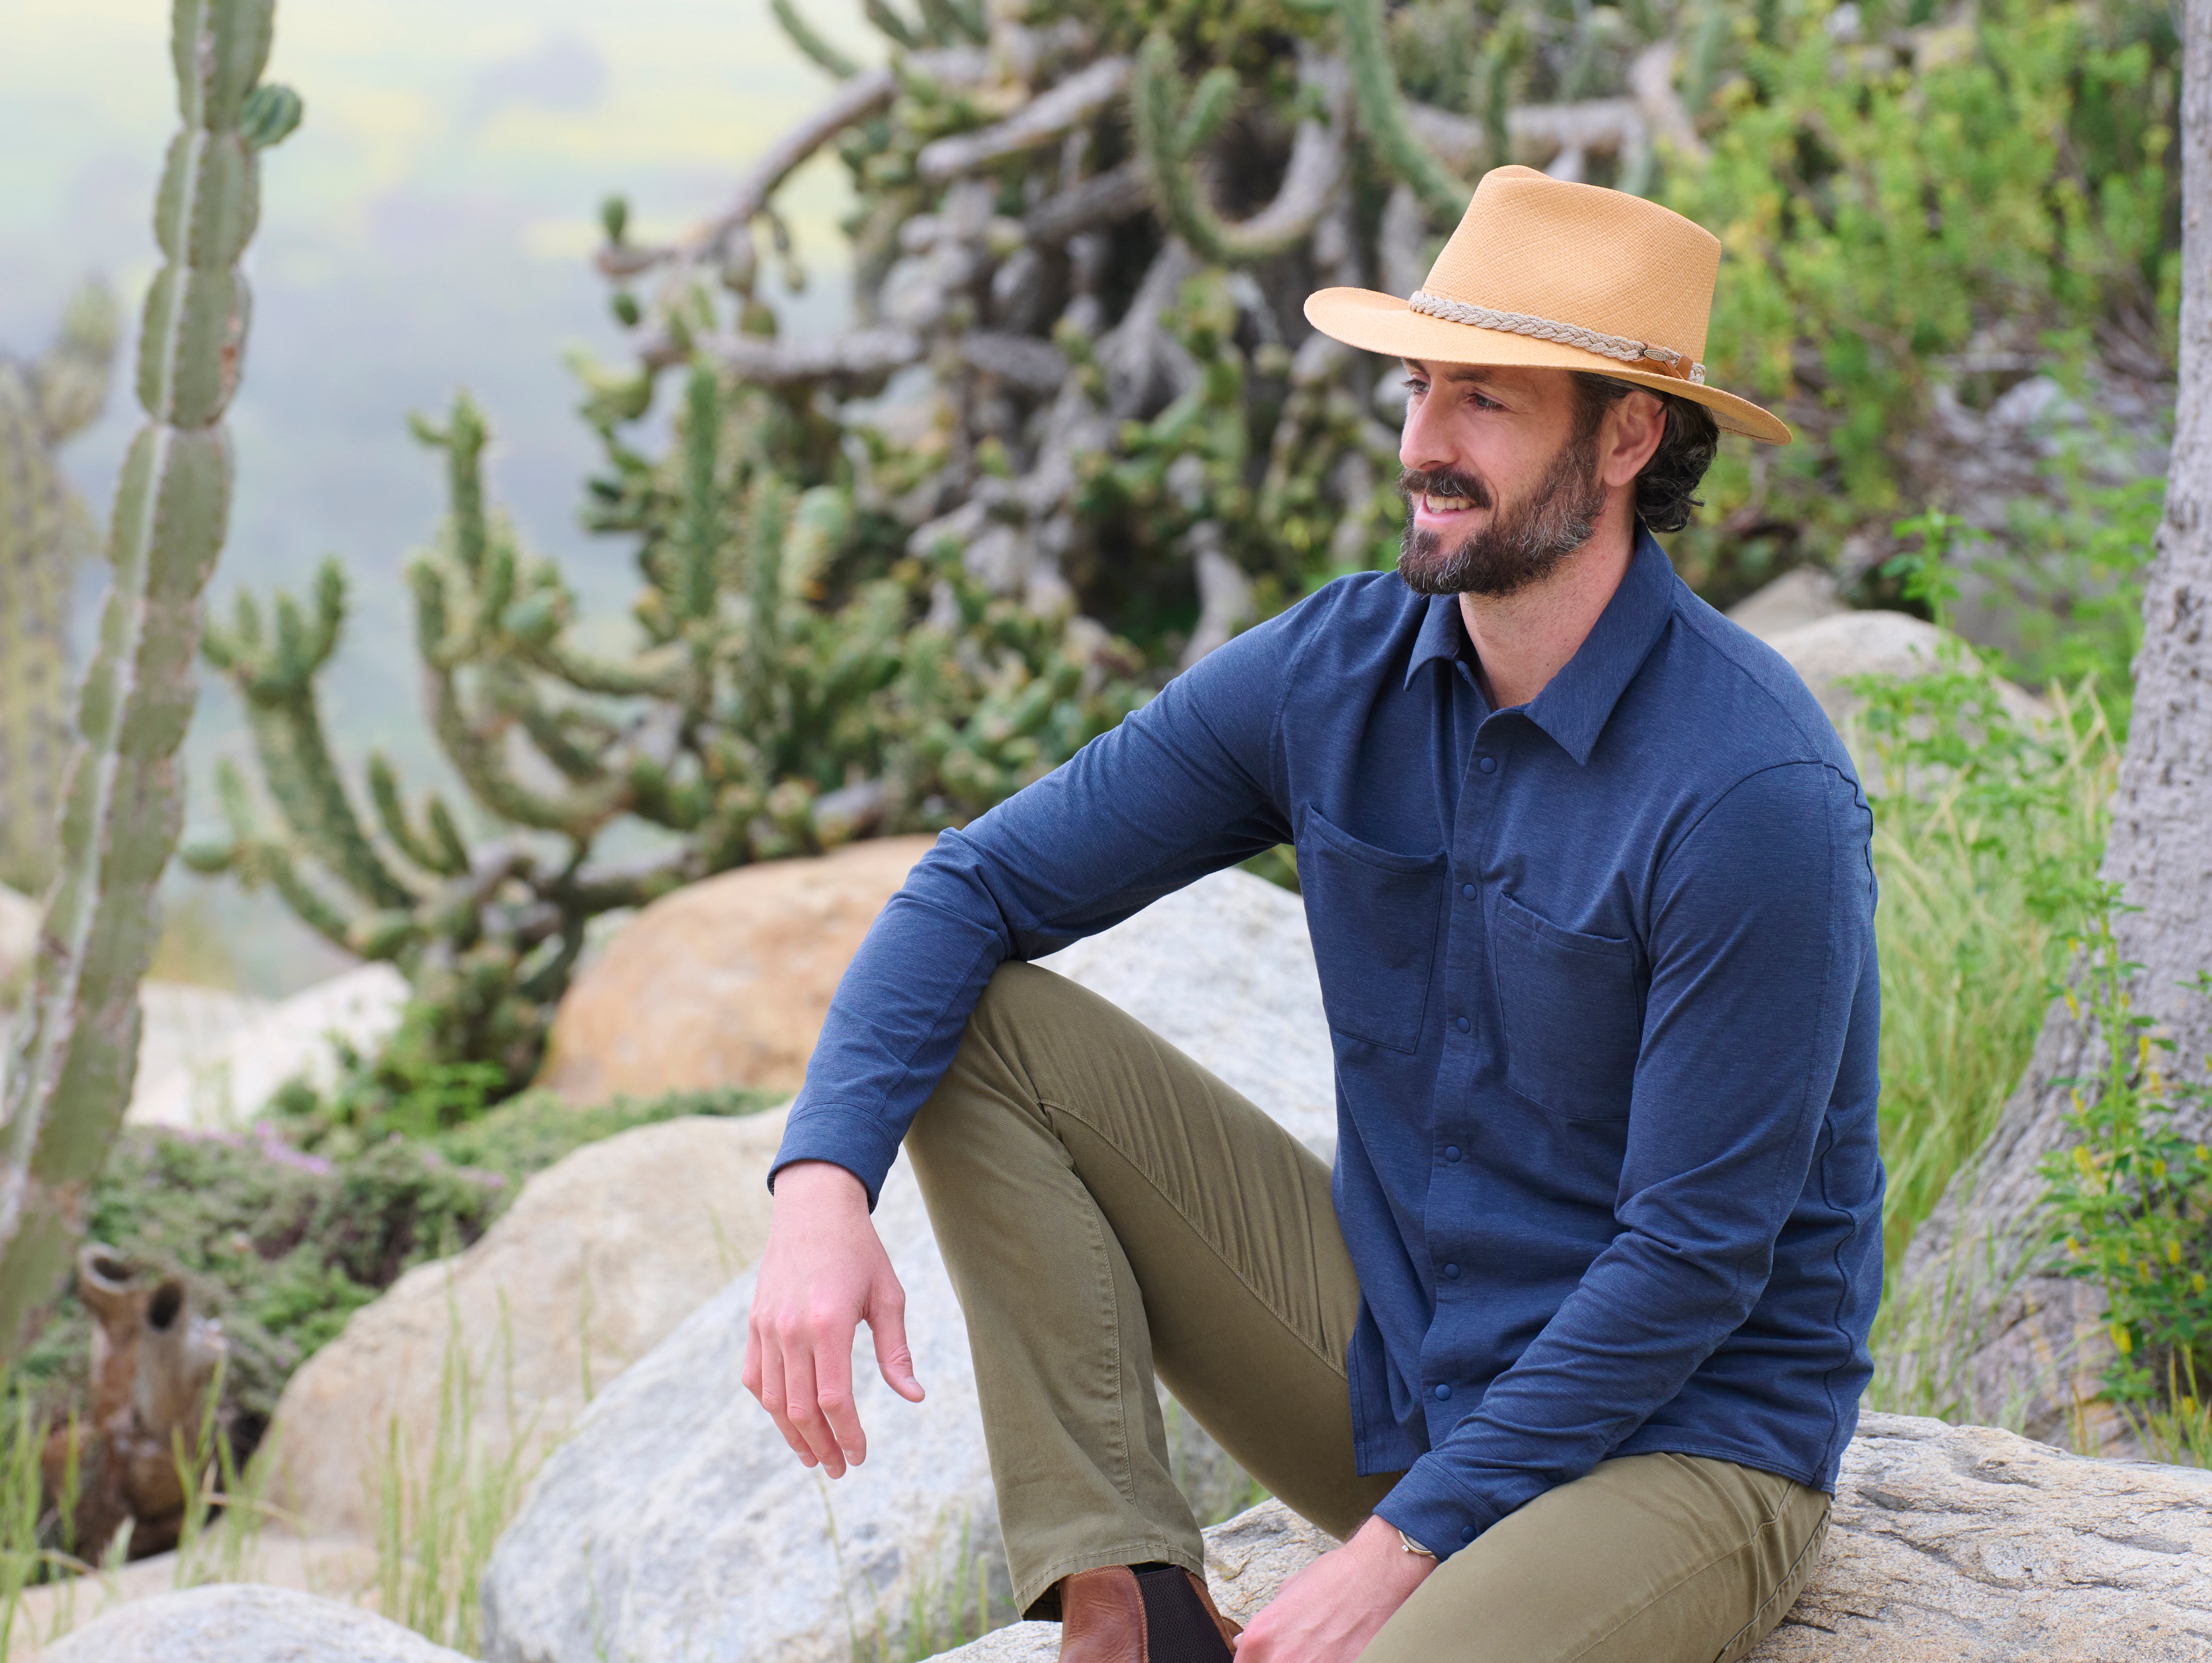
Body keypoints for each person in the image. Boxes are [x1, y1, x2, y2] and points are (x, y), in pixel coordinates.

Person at [746, 165, 1882, 1663]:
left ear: (1626, 436)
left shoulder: (1753, 791)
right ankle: (1135, 1604)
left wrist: (1400, 1552)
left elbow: (1689, 1265)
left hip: (1679, 1445)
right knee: (984, 1029)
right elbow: (980, 884)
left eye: (1486, 401)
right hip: (1408, 1369)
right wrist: (820, 1185)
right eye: (1418, 389)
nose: (1424, 444)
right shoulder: (1334, 670)